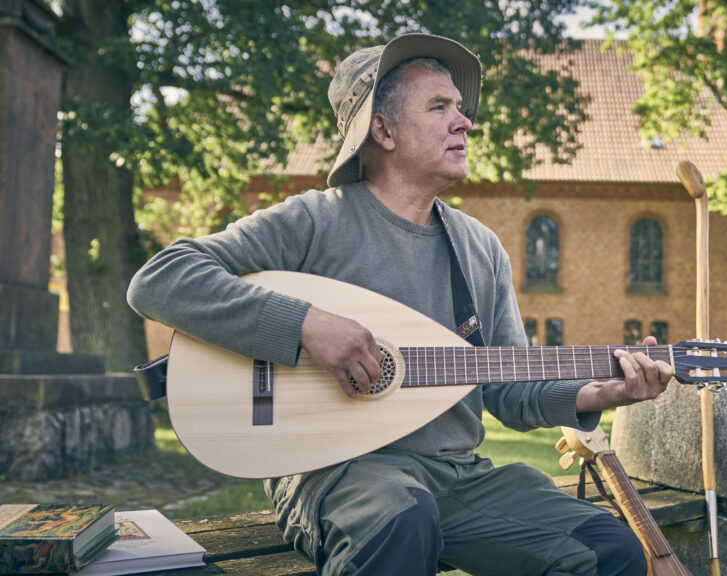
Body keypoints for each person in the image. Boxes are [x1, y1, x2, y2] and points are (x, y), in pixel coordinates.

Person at [128, 33, 674, 576]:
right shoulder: (315, 220)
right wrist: (305, 325)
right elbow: (160, 278)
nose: (465, 122)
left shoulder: (479, 248)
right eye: (440, 107)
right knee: (403, 517)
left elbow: (508, 389)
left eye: (460, 107)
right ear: (383, 130)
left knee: (609, 549)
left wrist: (604, 390)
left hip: (456, 478)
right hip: (336, 473)